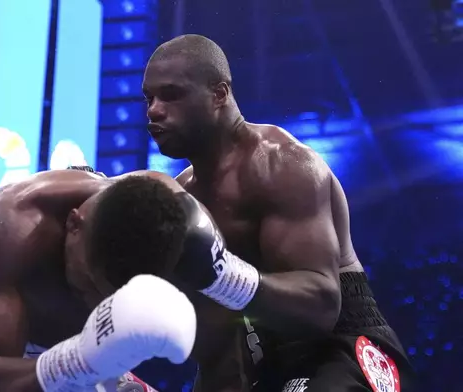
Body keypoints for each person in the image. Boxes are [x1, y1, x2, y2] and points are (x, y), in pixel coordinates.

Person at [142, 34, 416, 391]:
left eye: (171, 94)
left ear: (219, 95)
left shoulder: (282, 166)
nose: (154, 110)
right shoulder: (185, 196)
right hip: (263, 357)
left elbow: (321, 306)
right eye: (148, 98)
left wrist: (222, 274)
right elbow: (221, 342)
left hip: (343, 346)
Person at [0, 168, 198, 392]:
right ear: (73, 224)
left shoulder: (168, 223)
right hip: (4, 361)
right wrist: (76, 361)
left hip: (97, 358)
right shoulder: (9, 231)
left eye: (112, 297)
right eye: (88, 285)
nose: (97, 303)